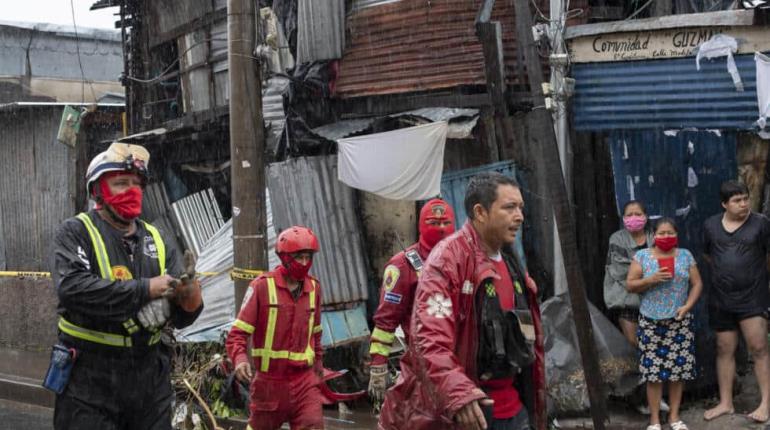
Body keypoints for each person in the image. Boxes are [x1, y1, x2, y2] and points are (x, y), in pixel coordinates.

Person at [51, 142, 203, 429]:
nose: (132, 190)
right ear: (97, 191)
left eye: (137, 184)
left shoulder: (158, 239)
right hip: (89, 381)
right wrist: (146, 289)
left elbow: (181, 317)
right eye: (121, 183)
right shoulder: (75, 232)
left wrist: (190, 299)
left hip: (148, 382)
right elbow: (72, 289)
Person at [378, 172, 545, 430]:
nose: (520, 216)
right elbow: (429, 340)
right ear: (480, 212)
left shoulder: (512, 262)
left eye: (521, 207)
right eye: (509, 207)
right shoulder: (447, 262)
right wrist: (460, 394)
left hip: (513, 411)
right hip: (463, 416)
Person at [226, 226, 325, 430]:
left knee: (314, 424)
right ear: (286, 258)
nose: (305, 263)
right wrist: (240, 359)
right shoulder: (262, 286)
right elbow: (237, 334)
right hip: (270, 383)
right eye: (300, 257)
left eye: (308, 257)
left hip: (305, 381)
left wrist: (319, 367)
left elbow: (316, 333)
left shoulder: (314, 288)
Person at [367, 198, 456, 403]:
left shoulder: (462, 258)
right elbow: (385, 322)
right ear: (421, 225)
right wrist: (379, 366)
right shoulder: (402, 266)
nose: (441, 229)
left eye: (446, 223)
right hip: (424, 364)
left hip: (463, 360)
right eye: (434, 223)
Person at [702, 180, 770, 423]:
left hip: (752, 296)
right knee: (724, 349)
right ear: (724, 204)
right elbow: (709, 255)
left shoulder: (761, 223)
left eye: (745, 198)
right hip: (721, 298)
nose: (743, 204)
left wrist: (752, 277)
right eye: (737, 200)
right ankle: (726, 403)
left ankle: (766, 404)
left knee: (759, 347)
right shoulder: (710, 226)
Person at [626, 217, 703, 430]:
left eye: (670, 233)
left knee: (678, 372)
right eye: (661, 233)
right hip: (651, 323)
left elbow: (697, 284)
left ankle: (675, 417)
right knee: (654, 375)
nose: (666, 237)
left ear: (677, 235)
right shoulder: (642, 257)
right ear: (653, 235)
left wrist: (687, 306)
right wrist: (651, 280)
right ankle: (654, 420)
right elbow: (630, 285)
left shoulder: (685, 255)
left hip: (679, 321)